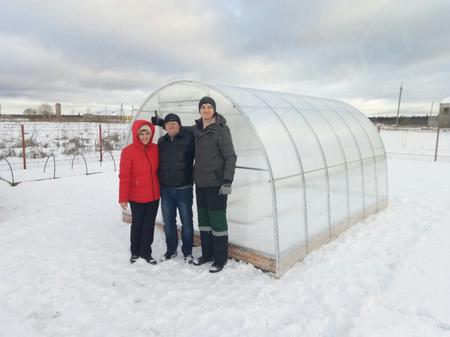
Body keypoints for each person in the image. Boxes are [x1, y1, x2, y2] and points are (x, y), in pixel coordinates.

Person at [192, 96, 237, 272]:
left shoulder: (221, 130)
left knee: (217, 222)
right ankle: (207, 254)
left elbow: (230, 156)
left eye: (209, 107)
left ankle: (220, 258)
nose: (206, 109)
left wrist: (227, 180)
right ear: (200, 110)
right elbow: (178, 128)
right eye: (203, 106)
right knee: (203, 222)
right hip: (201, 184)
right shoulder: (196, 129)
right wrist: (162, 122)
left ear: (214, 110)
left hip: (217, 184)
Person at [119, 120, 160, 264]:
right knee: (137, 224)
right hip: (136, 196)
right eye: (141, 133)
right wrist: (123, 197)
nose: (144, 136)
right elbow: (124, 176)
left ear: (151, 134)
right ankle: (135, 252)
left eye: (147, 133)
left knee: (149, 225)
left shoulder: (156, 149)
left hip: (154, 195)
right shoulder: (128, 151)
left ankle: (146, 252)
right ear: (136, 135)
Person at [157, 113, 195, 263]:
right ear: (164, 126)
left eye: (174, 123)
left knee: (186, 222)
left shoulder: (189, 138)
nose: (171, 125)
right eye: (168, 123)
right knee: (169, 222)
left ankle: (187, 252)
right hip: (166, 189)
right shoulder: (161, 141)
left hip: (184, 188)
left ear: (180, 125)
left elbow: (195, 130)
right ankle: (171, 250)